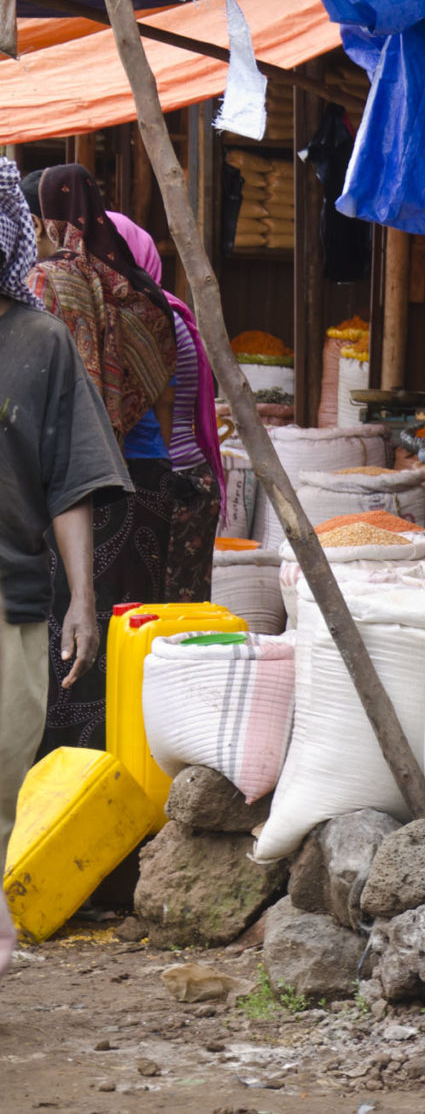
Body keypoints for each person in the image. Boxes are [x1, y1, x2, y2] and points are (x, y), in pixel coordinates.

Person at [26, 163, 178, 753]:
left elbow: (62, 410)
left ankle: (63, 773)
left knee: (65, 639)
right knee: (125, 635)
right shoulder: (141, 293)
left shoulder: (50, 286)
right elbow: (162, 399)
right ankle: (126, 762)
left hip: (77, 488)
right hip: (143, 479)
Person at [0, 160, 129, 850]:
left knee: (2, 774)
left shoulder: (41, 342)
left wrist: (83, 599)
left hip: (10, 599)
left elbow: (71, 480)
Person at [109, 211, 223, 603]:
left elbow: (166, 406)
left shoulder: (154, 317)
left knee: (167, 611)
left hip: (173, 480)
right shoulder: (169, 310)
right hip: (184, 477)